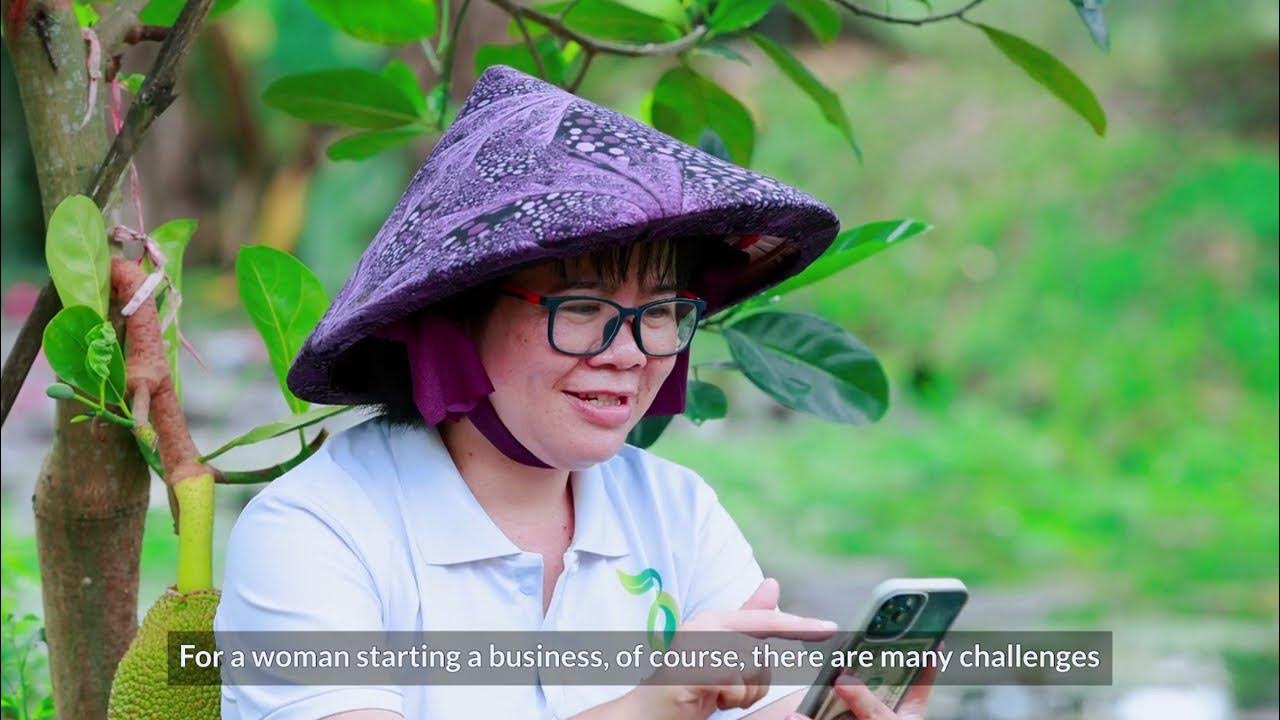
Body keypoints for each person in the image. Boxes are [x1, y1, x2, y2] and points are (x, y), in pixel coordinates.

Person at [214, 65, 935, 720]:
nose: (626, 353)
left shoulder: (674, 512)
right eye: (581, 309)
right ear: (458, 315)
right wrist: (660, 700)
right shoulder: (317, 530)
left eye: (659, 313)